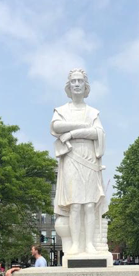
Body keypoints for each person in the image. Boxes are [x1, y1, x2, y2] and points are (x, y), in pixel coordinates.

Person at [51, 68, 106, 255]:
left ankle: (89, 243)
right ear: (68, 85)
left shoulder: (92, 112)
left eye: (80, 81)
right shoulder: (62, 110)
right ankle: (76, 244)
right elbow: (56, 127)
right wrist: (82, 126)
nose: (76, 84)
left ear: (85, 85)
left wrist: (72, 133)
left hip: (89, 156)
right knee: (75, 203)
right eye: (73, 81)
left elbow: (96, 133)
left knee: (89, 204)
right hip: (71, 156)